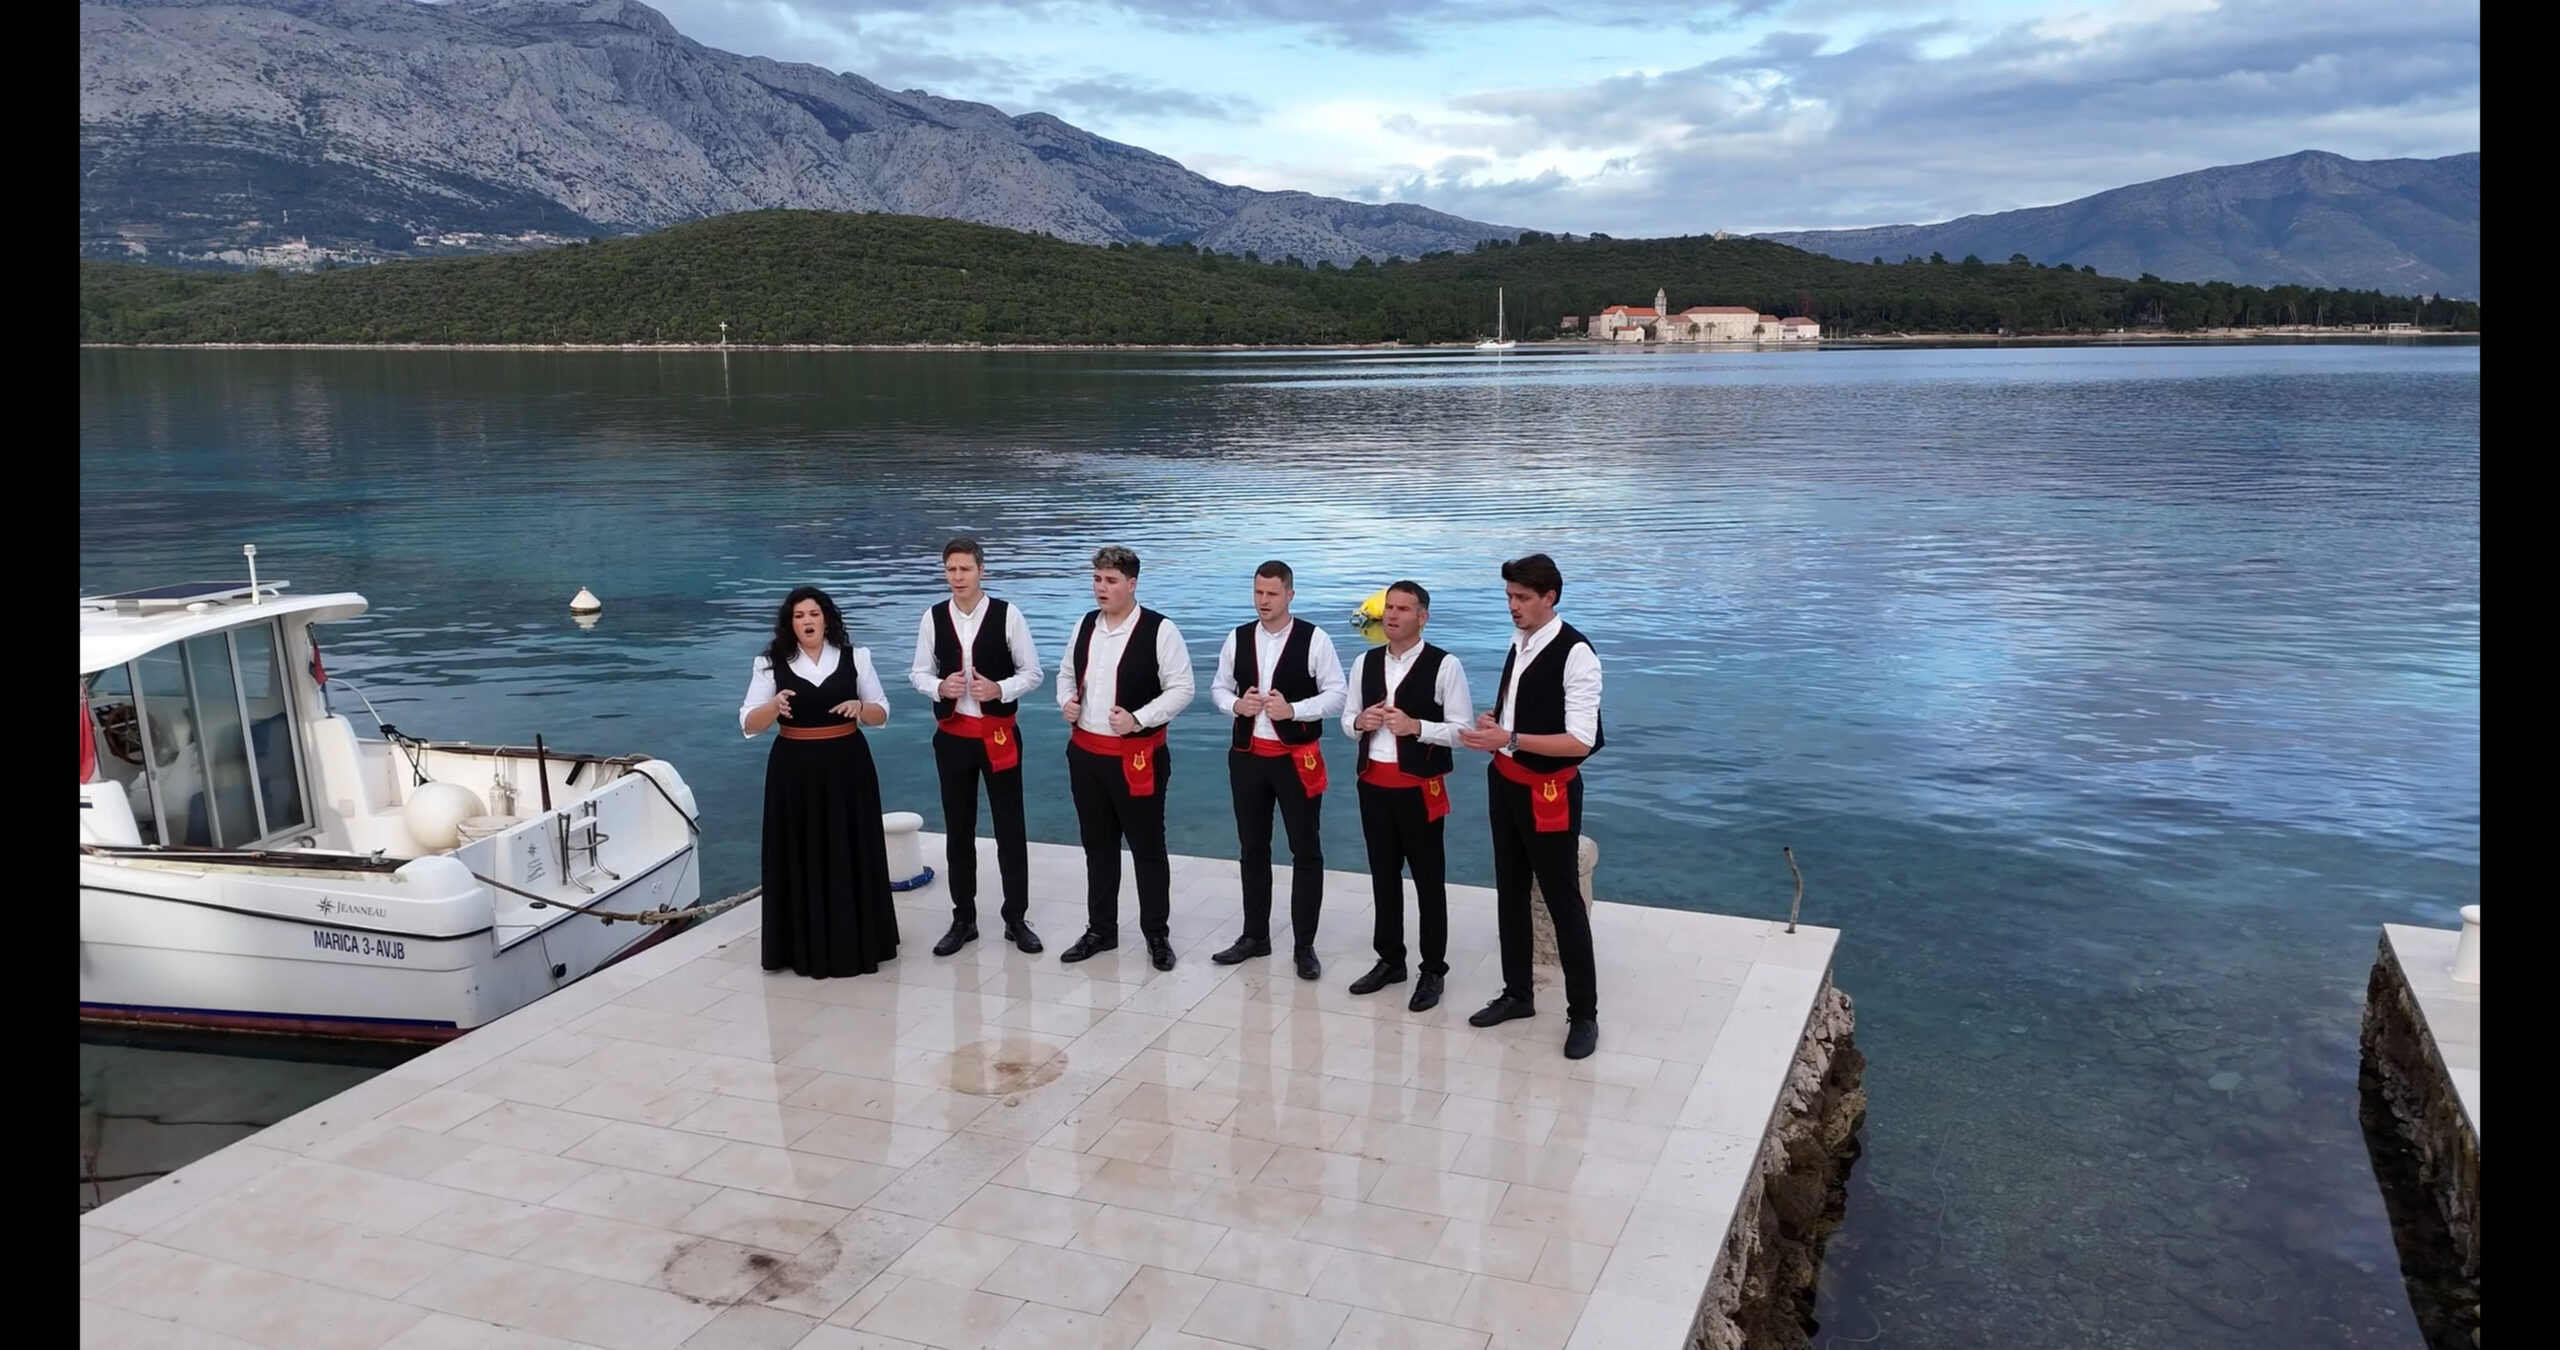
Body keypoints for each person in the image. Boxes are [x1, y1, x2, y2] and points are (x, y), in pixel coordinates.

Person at [1457, 553, 1606, 1059]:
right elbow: (1523, 708)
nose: (1513, 606)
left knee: (1563, 901)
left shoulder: (1576, 653)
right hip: (1504, 781)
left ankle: (1583, 1015)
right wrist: (1497, 720)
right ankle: (1518, 994)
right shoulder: (1519, 640)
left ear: (1550, 597)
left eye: (1522, 598)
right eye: (1509, 597)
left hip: (1549, 791)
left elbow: (1580, 740)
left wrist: (1512, 737)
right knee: (1510, 890)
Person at [740, 586, 900, 979]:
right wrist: (772, 707)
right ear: (790, 624)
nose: (807, 621)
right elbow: (749, 723)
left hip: (848, 767)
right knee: (799, 849)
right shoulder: (769, 664)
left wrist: (861, 708)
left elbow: (881, 713)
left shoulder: (856, 657)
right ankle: (801, 945)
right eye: (799, 616)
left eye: (813, 614)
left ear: (826, 619)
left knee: (851, 846)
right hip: (793, 771)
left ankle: (857, 939)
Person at [1056, 546, 1196, 972]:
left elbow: (1182, 689)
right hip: (1086, 755)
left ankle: (1156, 934)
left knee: (1147, 847)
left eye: (1111, 581)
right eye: (1097, 579)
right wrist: (1067, 701)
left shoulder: (1160, 630)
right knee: (1098, 847)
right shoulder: (1085, 625)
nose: (1101, 588)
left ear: (1132, 584)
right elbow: (1066, 674)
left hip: (1137, 757)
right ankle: (1101, 929)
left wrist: (1138, 719)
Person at [1340, 580, 1473, 1012]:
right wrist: (1360, 721)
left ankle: (1432, 969)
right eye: (1389, 608)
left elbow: (1462, 731)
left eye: (1402, 609)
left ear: (1422, 616)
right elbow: (1346, 720)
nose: (1392, 615)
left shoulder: (1445, 665)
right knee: (1382, 875)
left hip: (1419, 787)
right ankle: (1390, 960)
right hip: (1373, 784)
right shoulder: (1364, 662)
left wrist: (1417, 727)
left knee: (1428, 880)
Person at [1210, 560, 1347, 979]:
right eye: (1258, 592)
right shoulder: (1238, 638)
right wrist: (1237, 705)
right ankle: (1255, 936)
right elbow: (1218, 687)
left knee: (1305, 849)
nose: (1263, 601)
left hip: (1295, 759)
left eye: (1271, 593)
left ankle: (1304, 946)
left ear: (1290, 594)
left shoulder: (1314, 639)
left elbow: (1337, 695)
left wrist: (1295, 710)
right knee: (1252, 847)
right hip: (1247, 757)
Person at [909, 538, 1046, 957]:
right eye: (951, 569)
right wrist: (939, 686)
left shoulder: (1008, 615)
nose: (958, 577)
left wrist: (999, 689)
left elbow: (1033, 672)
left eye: (965, 569)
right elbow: (918, 672)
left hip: (999, 735)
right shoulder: (933, 617)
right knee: (958, 829)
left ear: (981, 570)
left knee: (1010, 827)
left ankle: (1016, 918)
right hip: (953, 737)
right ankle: (963, 918)